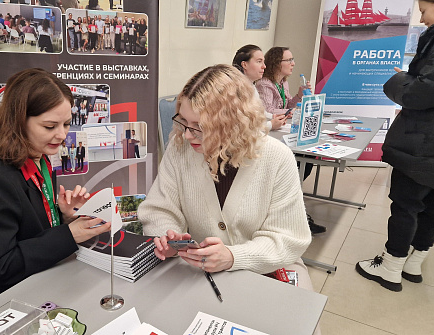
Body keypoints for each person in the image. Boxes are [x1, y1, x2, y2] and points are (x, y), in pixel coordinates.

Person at [138, 66, 318, 335]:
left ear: (234, 123)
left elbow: (288, 240)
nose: (187, 135)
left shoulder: (276, 157)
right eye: (183, 122)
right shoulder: (181, 149)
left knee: (298, 325)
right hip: (199, 267)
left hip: (268, 265)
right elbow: (159, 209)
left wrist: (234, 257)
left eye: (200, 127)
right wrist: (169, 238)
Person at [0, 68, 111, 314]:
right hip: (0, 304)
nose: (61, 135)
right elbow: (1, 267)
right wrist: (68, 235)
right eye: (50, 126)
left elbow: (32, 232)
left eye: (66, 124)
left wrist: (64, 216)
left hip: (42, 282)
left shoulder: (40, 159)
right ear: (18, 122)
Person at [356, 0, 434, 292]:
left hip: (423, 142)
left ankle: (390, 267)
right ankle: (413, 262)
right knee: (433, 205)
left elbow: (421, 92)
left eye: (423, 10)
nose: (421, 19)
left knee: (406, 204)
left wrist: (400, 79)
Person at [255, 46, 325, 235]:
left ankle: (289, 193)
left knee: (308, 158)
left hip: (282, 130)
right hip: (270, 133)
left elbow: (286, 105)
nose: (293, 63)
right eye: (289, 60)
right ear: (278, 63)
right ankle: (287, 198)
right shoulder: (264, 84)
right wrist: (290, 111)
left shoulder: (283, 82)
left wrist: (299, 96)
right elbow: (266, 111)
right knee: (300, 160)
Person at [232, 44, 287, 132]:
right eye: (259, 61)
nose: (264, 66)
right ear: (244, 65)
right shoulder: (235, 90)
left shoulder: (251, 86)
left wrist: (272, 117)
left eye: (263, 62)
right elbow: (242, 126)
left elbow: (258, 111)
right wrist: (270, 125)